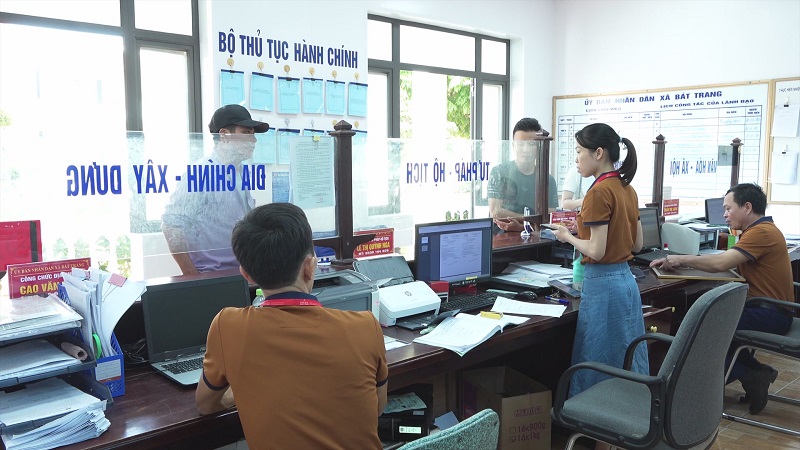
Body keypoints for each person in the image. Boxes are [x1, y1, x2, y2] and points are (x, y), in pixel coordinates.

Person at [195, 203, 388, 449]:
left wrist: (242, 388)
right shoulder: (366, 327)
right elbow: (378, 408)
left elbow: (205, 405)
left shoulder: (228, 326)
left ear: (247, 275)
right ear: (310, 266)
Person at [649, 183, 794, 414]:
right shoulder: (760, 230)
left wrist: (681, 260)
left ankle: (705, 391)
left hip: (770, 313)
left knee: (702, 329)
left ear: (747, 207)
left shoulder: (761, 232)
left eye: (728, 209)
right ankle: (754, 373)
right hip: (771, 310)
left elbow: (721, 263)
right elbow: (728, 265)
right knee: (707, 322)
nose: (725, 214)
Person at [552, 123, 649, 399]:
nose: (576, 158)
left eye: (579, 151)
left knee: (597, 361)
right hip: (626, 283)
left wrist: (566, 237)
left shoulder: (597, 192)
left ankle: (597, 429)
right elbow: (638, 244)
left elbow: (595, 250)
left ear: (598, 153)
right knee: (625, 358)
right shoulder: (626, 188)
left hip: (603, 286)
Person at [162, 105, 269, 274]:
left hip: (242, 273)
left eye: (253, 134)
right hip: (212, 276)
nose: (253, 140)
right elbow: (171, 226)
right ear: (224, 134)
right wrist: (191, 274)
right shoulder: (200, 173)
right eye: (247, 133)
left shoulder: (239, 172)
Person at [489, 117, 558, 232]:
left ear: (539, 146)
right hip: (502, 238)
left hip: (536, 240)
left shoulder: (548, 179)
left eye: (531, 144)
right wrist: (528, 220)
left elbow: (550, 216)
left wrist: (523, 226)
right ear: (513, 145)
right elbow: (496, 212)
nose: (525, 149)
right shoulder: (499, 172)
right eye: (520, 144)